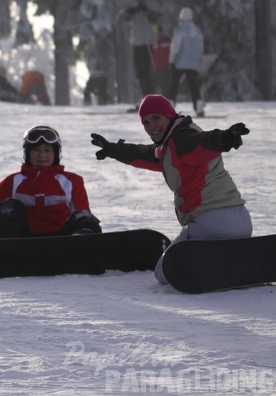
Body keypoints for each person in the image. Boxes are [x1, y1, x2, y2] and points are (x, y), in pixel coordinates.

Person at [90, 94, 252, 285]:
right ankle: (235, 262)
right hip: (242, 220)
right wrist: (113, 150)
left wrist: (223, 139)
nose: (152, 126)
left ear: (169, 115)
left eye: (157, 118)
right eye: (146, 122)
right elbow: (145, 154)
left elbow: (200, 144)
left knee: (164, 272)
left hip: (210, 222)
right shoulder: (170, 146)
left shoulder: (181, 139)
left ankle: (218, 269)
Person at [0, 125, 101, 239]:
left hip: (63, 240)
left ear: (56, 154)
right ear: (27, 153)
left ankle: (84, 244)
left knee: (83, 215)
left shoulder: (72, 181)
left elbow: (81, 214)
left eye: (47, 150)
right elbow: (1, 219)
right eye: (36, 149)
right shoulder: (10, 183)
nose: (42, 155)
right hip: (22, 240)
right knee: (10, 207)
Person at [119, 0, 161, 99]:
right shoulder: (133, 7)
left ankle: (152, 96)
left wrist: (148, 10)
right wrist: (131, 10)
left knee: (148, 72)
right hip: (137, 43)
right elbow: (122, 16)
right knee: (140, 73)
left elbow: (158, 16)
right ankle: (145, 96)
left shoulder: (150, 5)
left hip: (149, 42)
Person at [167, 8, 205, 117]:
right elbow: (201, 47)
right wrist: (198, 60)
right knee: (194, 86)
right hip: (193, 63)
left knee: (174, 84)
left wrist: (172, 59)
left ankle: (169, 107)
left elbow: (175, 46)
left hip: (180, 62)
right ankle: (199, 107)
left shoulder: (180, 29)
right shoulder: (197, 30)